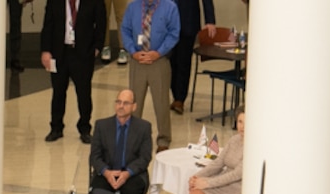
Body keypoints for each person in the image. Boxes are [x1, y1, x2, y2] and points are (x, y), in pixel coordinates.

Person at [88, 89, 153, 194]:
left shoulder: (143, 127)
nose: (121, 106)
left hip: (131, 174)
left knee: (131, 190)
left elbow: (145, 157)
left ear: (134, 106)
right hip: (107, 172)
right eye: (118, 102)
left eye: (125, 103)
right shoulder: (101, 125)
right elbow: (94, 156)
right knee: (97, 190)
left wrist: (127, 173)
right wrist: (106, 172)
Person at [41, 0, 106, 144]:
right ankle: (56, 128)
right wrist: (46, 50)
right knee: (58, 92)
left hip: (83, 54)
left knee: (83, 92)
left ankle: (84, 128)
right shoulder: (54, 2)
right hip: (60, 53)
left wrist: (97, 47)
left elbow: (101, 24)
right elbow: (48, 25)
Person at [120, 0, 180, 151]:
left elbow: (174, 33)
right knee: (134, 102)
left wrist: (158, 52)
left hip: (158, 61)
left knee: (161, 102)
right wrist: (133, 52)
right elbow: (125, 30)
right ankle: (134, 138)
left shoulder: (170, 7)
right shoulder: (133, 7)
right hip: (137, 60)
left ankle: (164, 139)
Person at [168, 0, 215, 116]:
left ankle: (180, 99)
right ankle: (174, 94)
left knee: (183, 62)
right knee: (170, 62)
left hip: (188, 19)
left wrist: (210, 20)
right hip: (166, 21)